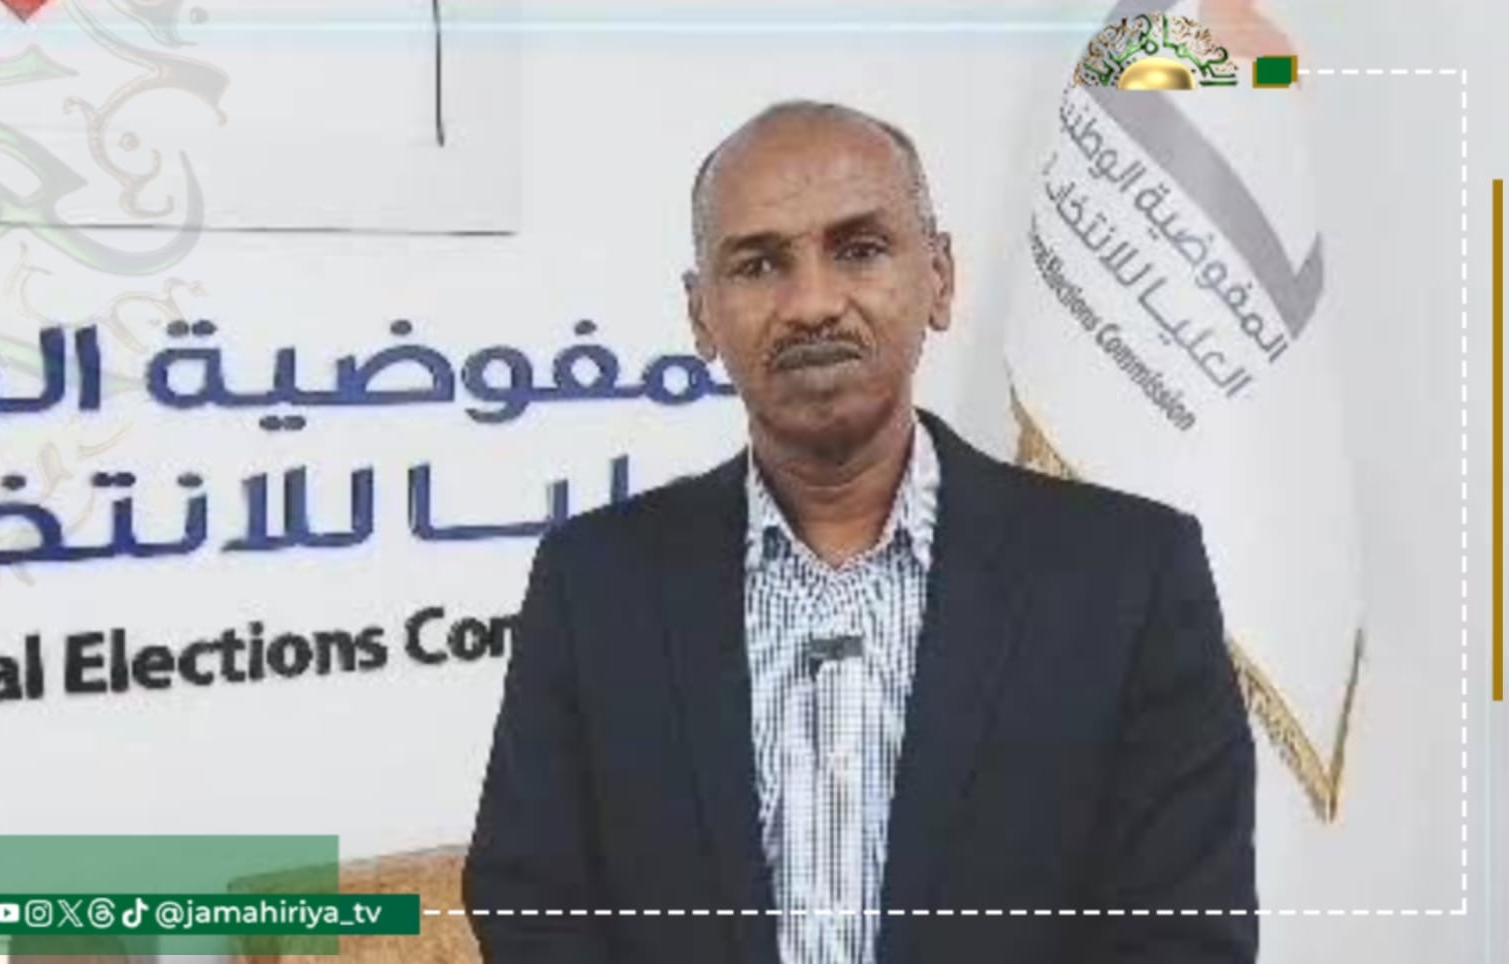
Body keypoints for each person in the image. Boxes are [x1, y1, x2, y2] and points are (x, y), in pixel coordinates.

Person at [464, 100, 1257, 964]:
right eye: (759, 264)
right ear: (701, 315)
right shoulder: (594, 584)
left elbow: (1185, 930)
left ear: (939, 278)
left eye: (860, 249)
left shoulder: (1127, 580)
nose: (812, 303)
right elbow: (530, 901)